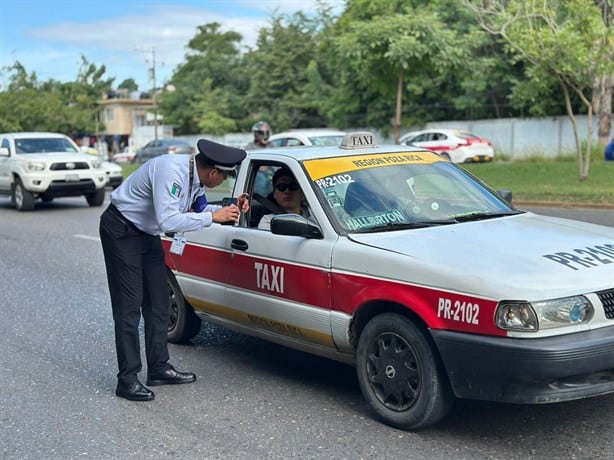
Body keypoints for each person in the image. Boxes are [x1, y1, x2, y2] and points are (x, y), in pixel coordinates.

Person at [99, 139, 249, 402]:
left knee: (159, 303)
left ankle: (158, 368)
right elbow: (168, 219)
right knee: (129, 307)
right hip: (122, 230)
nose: (222, 182)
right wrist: (214, 218)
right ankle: (127, 379)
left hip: (146, 233)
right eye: (224, 177)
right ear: (213, 172)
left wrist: (229, 209)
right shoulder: (171, 171)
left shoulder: (195, 177)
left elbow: (199, 209)